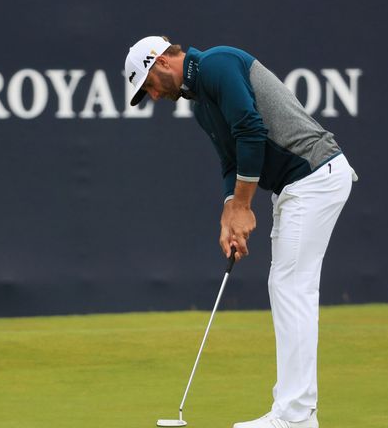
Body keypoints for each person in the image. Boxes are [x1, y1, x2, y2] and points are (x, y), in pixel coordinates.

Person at [124, 36, 357, 428]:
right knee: (286, 286)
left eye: (148, 85)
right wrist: (229, 214)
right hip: (296, 187)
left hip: (316, 176)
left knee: (291, 287)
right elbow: (230, 161)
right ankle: (294, 412)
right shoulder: (200, 106)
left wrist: (244, 206)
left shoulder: (218, 63)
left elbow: (250, 129)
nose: (153, 95)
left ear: (161, 62)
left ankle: (296, 415)